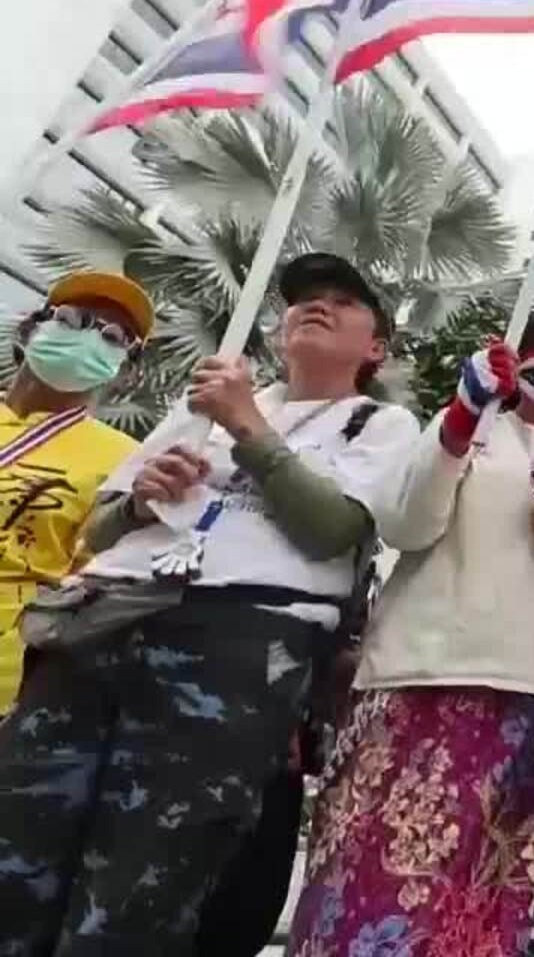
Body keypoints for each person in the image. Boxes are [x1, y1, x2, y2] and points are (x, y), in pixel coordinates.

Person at [0, 252, 418, 954]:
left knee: (142, 876)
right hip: (111, 614)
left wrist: (248, 426)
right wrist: (140, 497)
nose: (317, 305)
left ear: (375, 347)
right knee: (20, 840)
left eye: (343, 301)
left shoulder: (379, 425)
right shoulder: (203, 403)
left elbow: (331, 530)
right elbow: (99, 528)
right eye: (303, 298)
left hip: (235, 643)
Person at [288, 306, 534, 955]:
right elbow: (406, 524)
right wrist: (464, 416)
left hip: (531, 699)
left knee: (483, 889)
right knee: (368, 872)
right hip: (418, 677)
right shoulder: (463, 429)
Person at [0, 270, 152, 713]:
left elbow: (94, 584)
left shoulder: (127, 460)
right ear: (30, 329)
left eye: (113, 337)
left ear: (126, 373)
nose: (89, 337)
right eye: (71, 318)